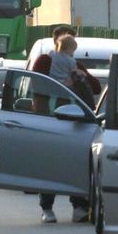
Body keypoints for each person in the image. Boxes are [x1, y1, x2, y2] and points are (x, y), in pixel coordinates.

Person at [31, 32, 95, 224]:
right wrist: (62, 84)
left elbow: (95, 87)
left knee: (74, 165)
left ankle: (78, 206)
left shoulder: (74, 65)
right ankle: (47, 208)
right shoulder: (44, 61)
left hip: (72, 122)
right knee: (49, 165)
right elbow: (35, 83)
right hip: (49, 120)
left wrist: (82, 77)